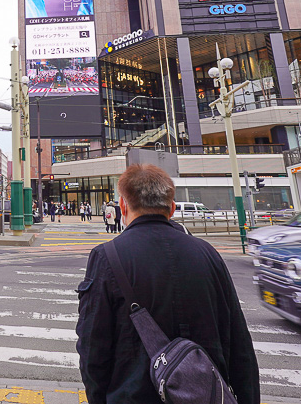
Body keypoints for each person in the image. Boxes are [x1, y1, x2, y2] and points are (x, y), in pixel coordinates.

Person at [76, 164, 259, 404]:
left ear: (123, 206)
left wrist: (98, 398)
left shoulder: (107, 256)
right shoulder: (207, 253)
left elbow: (92, 347)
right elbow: (239, 343)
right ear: (171, 208)